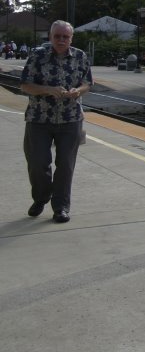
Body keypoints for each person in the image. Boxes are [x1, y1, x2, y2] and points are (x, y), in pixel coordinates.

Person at [20, 20, 93, 223]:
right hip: (39, 119)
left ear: (71, 38)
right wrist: (48, 90)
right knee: (37, 163)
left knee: (66, 165)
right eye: (57, 36)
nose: (61, 40)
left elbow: (88, 82)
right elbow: (25, 85)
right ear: (50, 37)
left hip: (70, 119)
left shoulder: (80, 56)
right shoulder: (37, 56)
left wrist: (78, 91)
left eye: (65, 36)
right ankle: (41, 198)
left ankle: (61, 207)